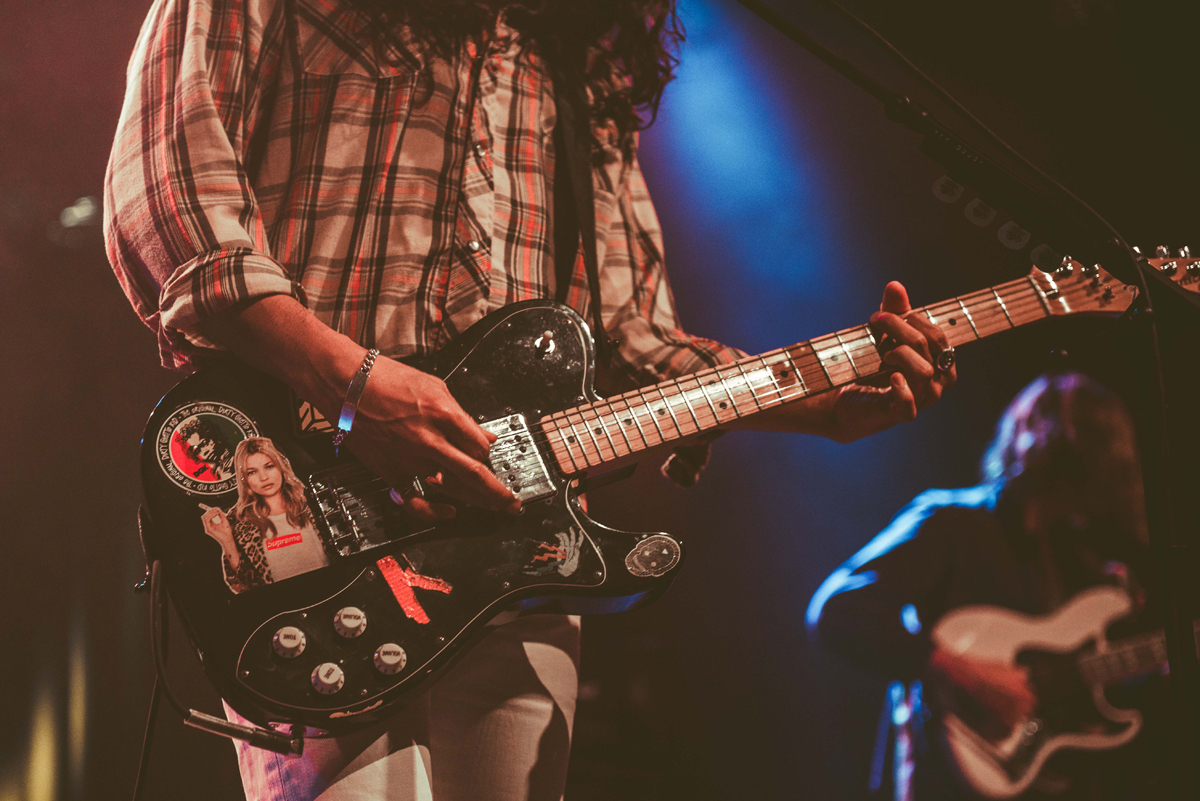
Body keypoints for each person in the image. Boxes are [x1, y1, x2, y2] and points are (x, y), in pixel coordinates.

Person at [104, 1, 956, 798]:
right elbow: (171, 194)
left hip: (519, 557)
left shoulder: (579, 53)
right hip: (313, 514)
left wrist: (822, 402)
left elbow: (627, 334)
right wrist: (357, 385)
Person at [809, 373, 1170, 800]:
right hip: (942, 781)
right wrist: (964, 673)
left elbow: (1091, 691)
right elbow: (840, 608)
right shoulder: (952, 522)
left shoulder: (1084, 558)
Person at [200, 436, 330, 593]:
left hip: (329, 594)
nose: (264, 477)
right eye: (252, 472)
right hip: (282, 608)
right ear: (245, 479)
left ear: (281, 467)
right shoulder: (238, 521)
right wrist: (227, 540)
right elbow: (242, 586)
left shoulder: (313, 503)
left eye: (269, 466)